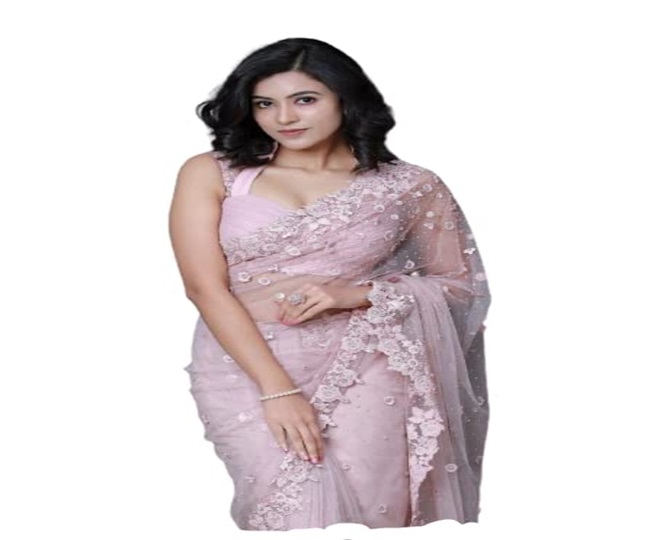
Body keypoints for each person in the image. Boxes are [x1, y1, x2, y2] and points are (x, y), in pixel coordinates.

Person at [168, 37, 490, 532]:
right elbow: (203, 288)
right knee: (286, 513)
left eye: (304, 99)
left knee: (371, 511)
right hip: (244, 366)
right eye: (264, 103)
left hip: (370, 364)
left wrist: (356, 295)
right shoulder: (215, 173)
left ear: (345, 98)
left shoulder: (410, 185)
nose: (283, 117)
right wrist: (277, 390)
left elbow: (460, 287)